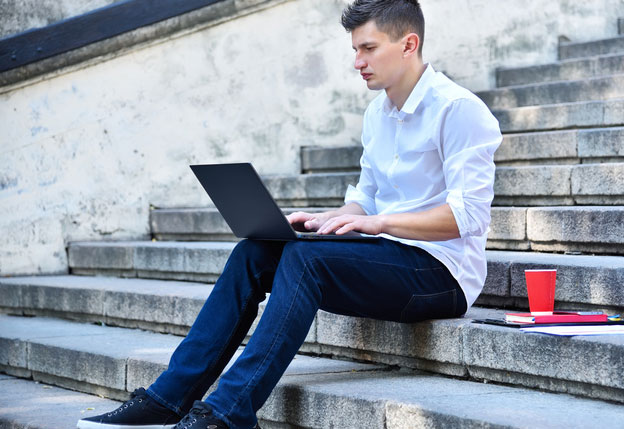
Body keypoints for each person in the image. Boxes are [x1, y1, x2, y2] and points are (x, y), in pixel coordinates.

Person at [77, 0, 501, 428]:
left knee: (307, 260)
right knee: (256, 252)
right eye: (355, 50)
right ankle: (168, 399)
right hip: (387, 256)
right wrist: (325, 220)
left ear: (409, 44)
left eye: (368, 48)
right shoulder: (378, 114)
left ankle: (227, 414)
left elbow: (468, 217)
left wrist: (378, 223)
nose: (357, 62)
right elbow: (367, 200)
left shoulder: (458, 110)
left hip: (442, 275)